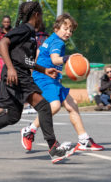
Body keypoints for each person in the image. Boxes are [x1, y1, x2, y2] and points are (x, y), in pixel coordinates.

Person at [0, 1, 75, 163]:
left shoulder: (29, 33)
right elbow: (3, 43)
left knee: (13, 116)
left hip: (19, 73)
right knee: (45, 106)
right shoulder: (24, 29)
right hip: (16, 74)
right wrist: (10, 68)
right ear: (36, 15)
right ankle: (54, 148)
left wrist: (43, 70)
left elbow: (25, 60)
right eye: (41, 15)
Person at [21, 13, 104, 153]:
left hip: (49, 77)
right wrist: (69, 58)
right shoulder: (57, 42)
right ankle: (30, 130)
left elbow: (40, 54)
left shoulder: (50, 39)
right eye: (65, 29)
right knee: (54, 106)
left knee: (72, 105)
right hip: (43, 78)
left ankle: (84, 139)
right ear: (56, 28)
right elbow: (55, 59)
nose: (68, 32)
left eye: (71, 30)